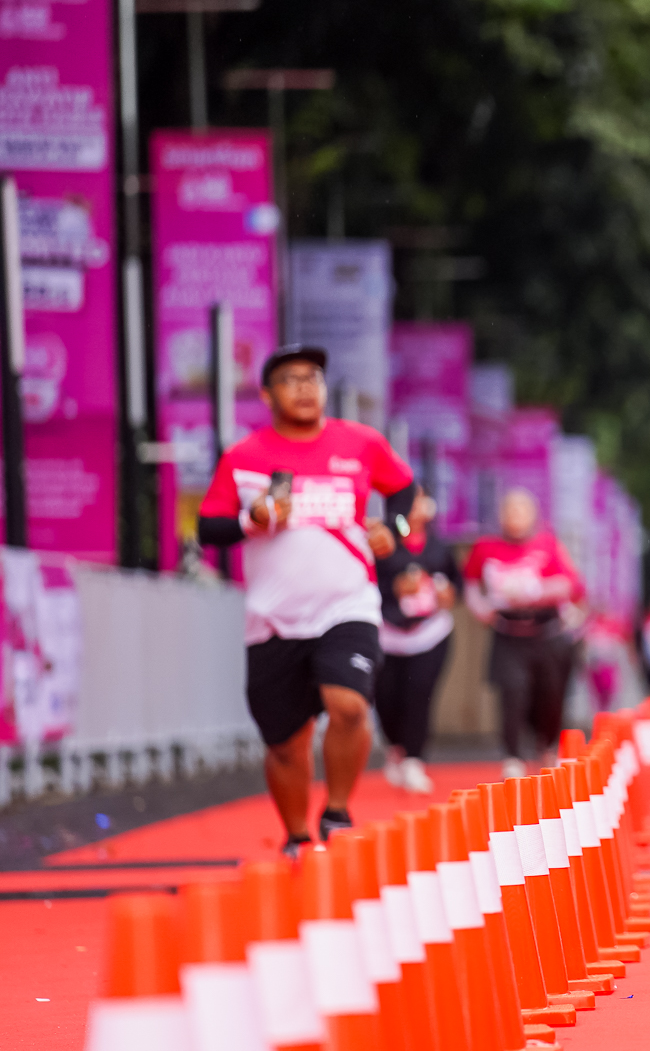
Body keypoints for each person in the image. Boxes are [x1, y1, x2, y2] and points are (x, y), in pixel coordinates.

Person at [197, 344, 417, 856]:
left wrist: (397, 531)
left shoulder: (360, 443)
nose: (304, 388)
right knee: (286, 743)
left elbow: (406, 492)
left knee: (349, 705)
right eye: (290, 380)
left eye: (312, 378)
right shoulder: (244, 457)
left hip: (347, 603)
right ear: (267, 395)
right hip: (273, 617)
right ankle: (297, 836)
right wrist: (252, 520)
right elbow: (209, 528)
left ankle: (337, 811)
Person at [464, 488, 586, 778]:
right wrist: (480, 608)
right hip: (508, 633)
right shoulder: (485, 547)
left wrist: (535, 592)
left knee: (550, 695)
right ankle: (513, 756)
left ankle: (547, 746)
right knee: (512, 691)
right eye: (510, 511)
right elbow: (470, 582)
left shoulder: (548, 545)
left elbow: (573, 586)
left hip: (546, 633)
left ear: (533, 515)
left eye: (521, 511)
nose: (515, 517)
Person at [374, 489, 459, 795]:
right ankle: (395, 747)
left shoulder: (439, 546)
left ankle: (414, 759)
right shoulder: (383, 543)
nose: (414, 507)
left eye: (420, 499)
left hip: (429, 633)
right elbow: (366, 583)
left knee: (419, 694)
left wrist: (448, 594)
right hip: (387, 633)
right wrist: (394, 589)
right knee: (385, 697)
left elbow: (456, 584)